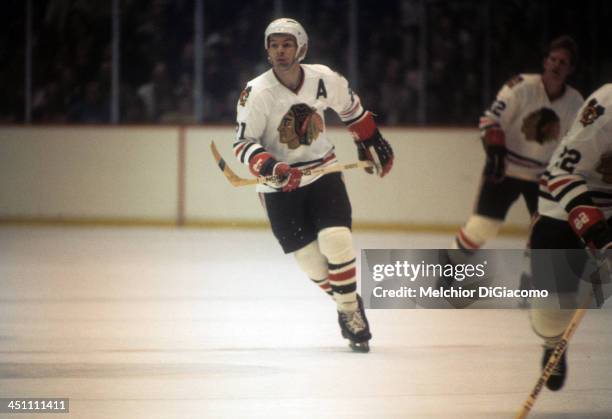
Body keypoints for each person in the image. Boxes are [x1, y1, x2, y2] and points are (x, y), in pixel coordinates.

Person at [232, 18, 393, 352]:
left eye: (287, 44)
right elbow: (243, 143)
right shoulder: (257, 92)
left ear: (300, 48)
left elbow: (351, 108)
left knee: (337, 239)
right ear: (267, 49)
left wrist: (369, 138)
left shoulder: (323, 78)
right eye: (274, 45)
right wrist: (271, 166)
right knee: (310, 262)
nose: (280, 51)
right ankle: (349, 299)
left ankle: (349, 313)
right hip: (279, 184)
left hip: (323, 170)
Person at [449, 36, 583, 258]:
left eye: (563, 62)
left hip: (543, 176)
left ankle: (532, 283)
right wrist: (494, 148)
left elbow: (576, 141)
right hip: (506, 168)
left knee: (545, 234)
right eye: (553, 59)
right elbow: (490, 119)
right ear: (545, 62)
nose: (556, 65)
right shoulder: (521, 86)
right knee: (482, 226)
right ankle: (447, 272)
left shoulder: (576, 102)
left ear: (571, 69)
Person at [528, 83, 612, 391]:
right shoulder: (607, 104)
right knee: (551, 315)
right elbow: (563, 173)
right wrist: (595, 228)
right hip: (564, 204)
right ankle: (552, 343)